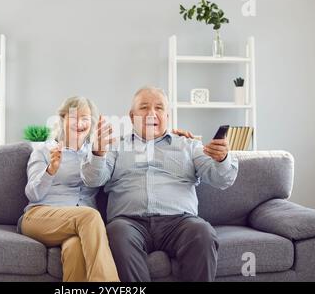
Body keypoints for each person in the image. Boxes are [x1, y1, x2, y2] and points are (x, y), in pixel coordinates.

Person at [81, 86, 238, 282]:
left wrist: (222, 159)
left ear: (168, 115)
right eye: (144, 107)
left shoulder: (189, 145)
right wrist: (98, 152)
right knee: (116, 233)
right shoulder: (115, 146)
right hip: (129, 222)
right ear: (132, 116)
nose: (152, 113)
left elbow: (222, 179)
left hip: (180, 222)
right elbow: (93, 179)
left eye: (159, 108)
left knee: (202, 232)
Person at [18, 96, 120, 282]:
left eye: (85, 118)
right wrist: (50, 171)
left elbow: (96, 180)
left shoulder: (96, 152)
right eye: (74, 118)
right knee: (89, 215)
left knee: (74, 248)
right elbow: (32, 193)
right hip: (40, 216)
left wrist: (98, 153)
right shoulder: (44, 150)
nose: (79, 123)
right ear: (62, 119)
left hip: (78, 226)